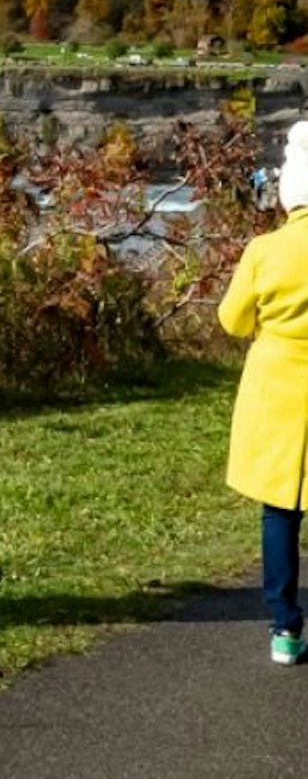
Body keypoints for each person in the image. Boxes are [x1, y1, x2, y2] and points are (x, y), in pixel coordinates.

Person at [220, 118, 308, 666]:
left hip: (277, 386)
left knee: (280, 511)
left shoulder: (265, 249)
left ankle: (284, 625)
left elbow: (233, 320)